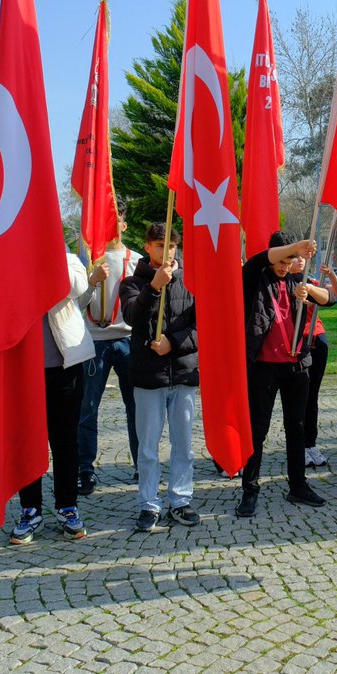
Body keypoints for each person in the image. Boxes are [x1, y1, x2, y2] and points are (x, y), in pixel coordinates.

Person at [236, 232, 333, 518]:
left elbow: (330, 299)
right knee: (258, 430)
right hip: (263, 366)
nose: (284, 264)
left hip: (297, 365)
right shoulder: (256, 277)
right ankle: (249, 490)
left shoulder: (296, 280)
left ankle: (298, 485)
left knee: (297, 427)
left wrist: (310, 292)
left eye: (291, 260)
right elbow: (259, 260)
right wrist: (291, 249)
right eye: (282, 258)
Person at [10, 251, 95, 544]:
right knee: (27, 441)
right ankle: (30, 509)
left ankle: (67, 507)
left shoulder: (68, 258)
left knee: (65, 441)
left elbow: (79, 288)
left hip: (65, 366)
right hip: (25, 368)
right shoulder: (14, 256)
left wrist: (49, 259)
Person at [120, 223, 200, 532]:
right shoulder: (131, 282)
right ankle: (148, 504)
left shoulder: (191, 281)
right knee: (148, 446)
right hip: (148, 376)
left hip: (183, 373)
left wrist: (173, 342)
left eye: (171, 246)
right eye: (159, 245)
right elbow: (132, 317)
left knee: (183, 445)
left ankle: (180, 500)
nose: (166, 251)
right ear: (147, 246)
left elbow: (201, 323)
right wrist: (153, 287)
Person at [76, 207, 143, 495]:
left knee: (137, 407)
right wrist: (91, 283)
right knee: (87, 408)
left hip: (128, 341)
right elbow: (75, 305)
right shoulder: (86, 260)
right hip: (94, 341)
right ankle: (85, 470)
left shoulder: (136, 261)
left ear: (124, 226)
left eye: (115, 221)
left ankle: (143, 464)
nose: (110, 226)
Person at [292, 257, 337, 469]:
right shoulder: (284, 282)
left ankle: (311, 444)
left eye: (303, 257)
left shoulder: (311, 281)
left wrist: (330, 273)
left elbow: (336, 294)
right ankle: (298, 447)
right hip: (296, 343)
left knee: (312, 397)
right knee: (298, 398)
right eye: (296, 256)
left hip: (317, 341)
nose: (300, 260)